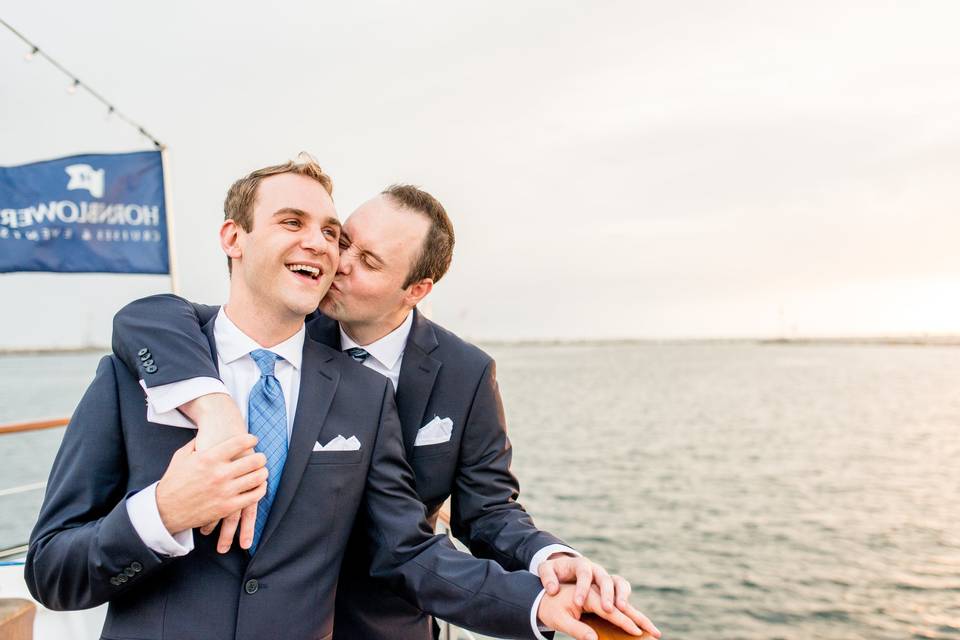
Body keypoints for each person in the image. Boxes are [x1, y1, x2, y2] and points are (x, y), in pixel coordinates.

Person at [26, 158, 653, 640]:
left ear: (415, 290)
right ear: (232, 237)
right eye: (297, 224)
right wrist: (164, 509)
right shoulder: (146, 364)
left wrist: (538, 598)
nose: (331, 252)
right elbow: (53, 570)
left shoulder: (372, 392)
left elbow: (421, 538)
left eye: (336, 236)